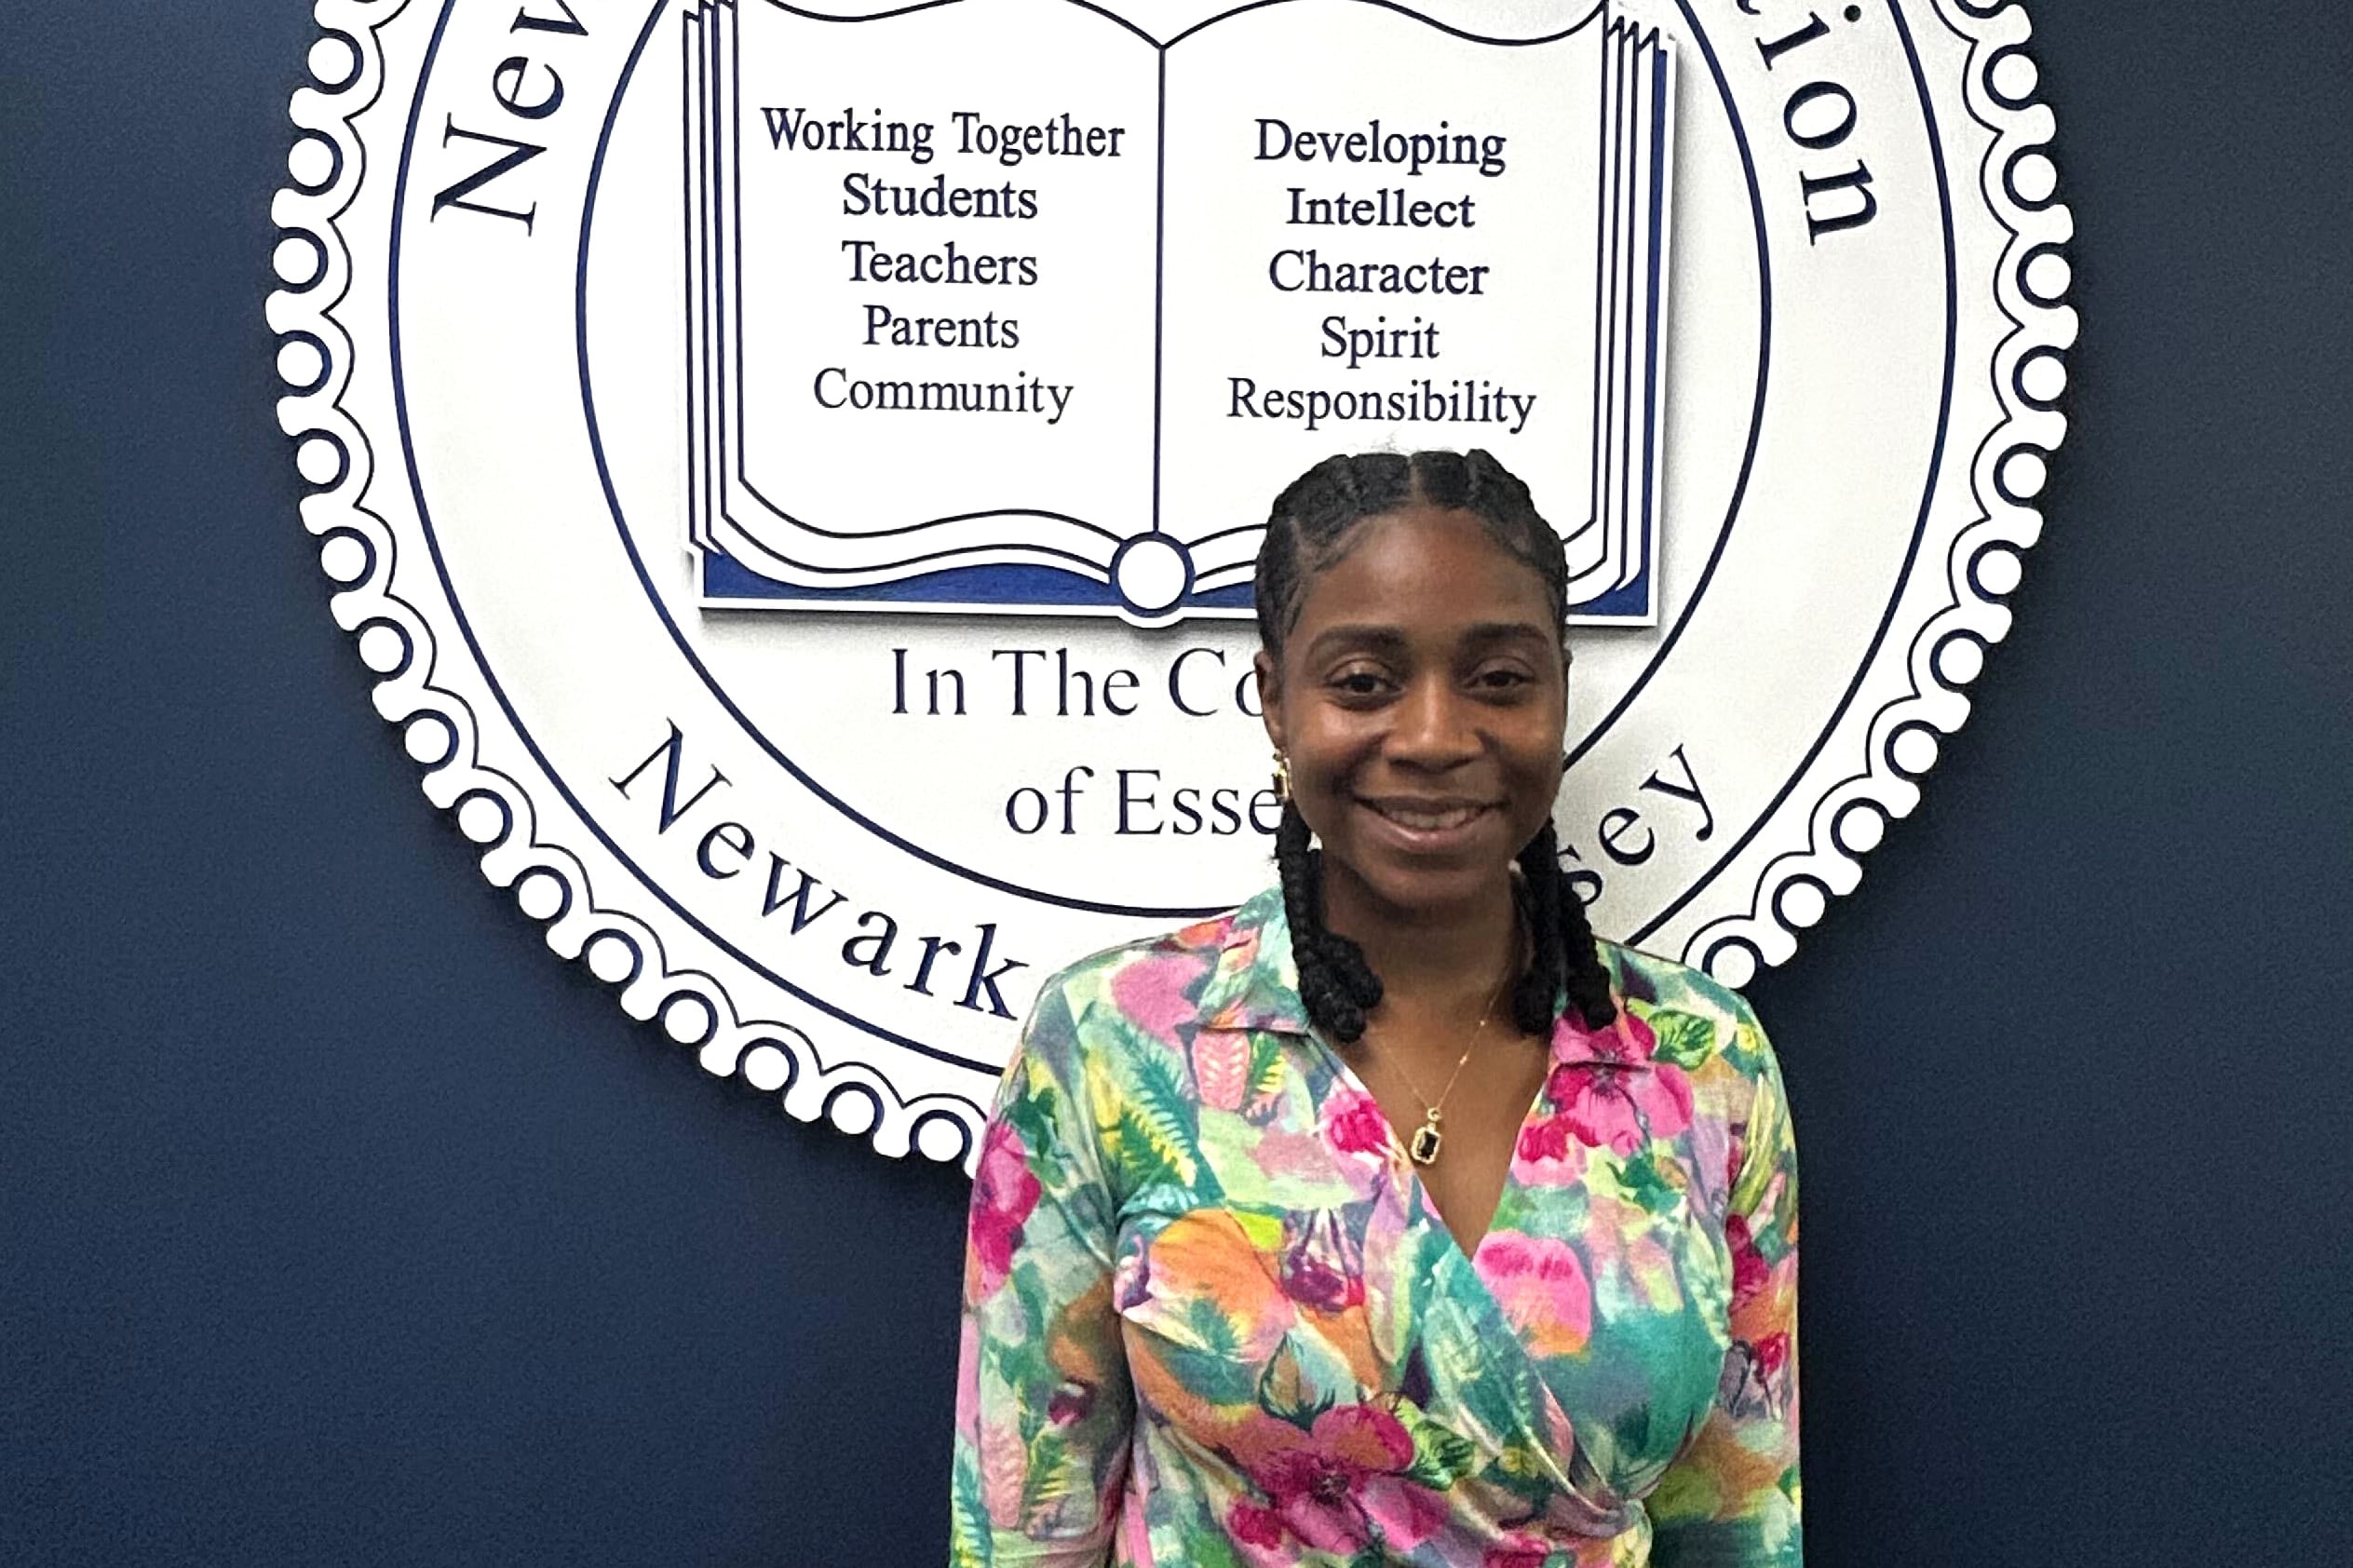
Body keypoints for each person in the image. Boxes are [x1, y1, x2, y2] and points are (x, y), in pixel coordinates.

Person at [950, 451, 1800, 1567]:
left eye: (1500, 677)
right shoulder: (1118, 1043)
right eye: (1362, 680)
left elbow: (1739, 1521)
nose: (1437, 734)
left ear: (1557, 694)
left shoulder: (1698, 1060)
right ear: (1274, 701)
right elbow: (1023, 1532)